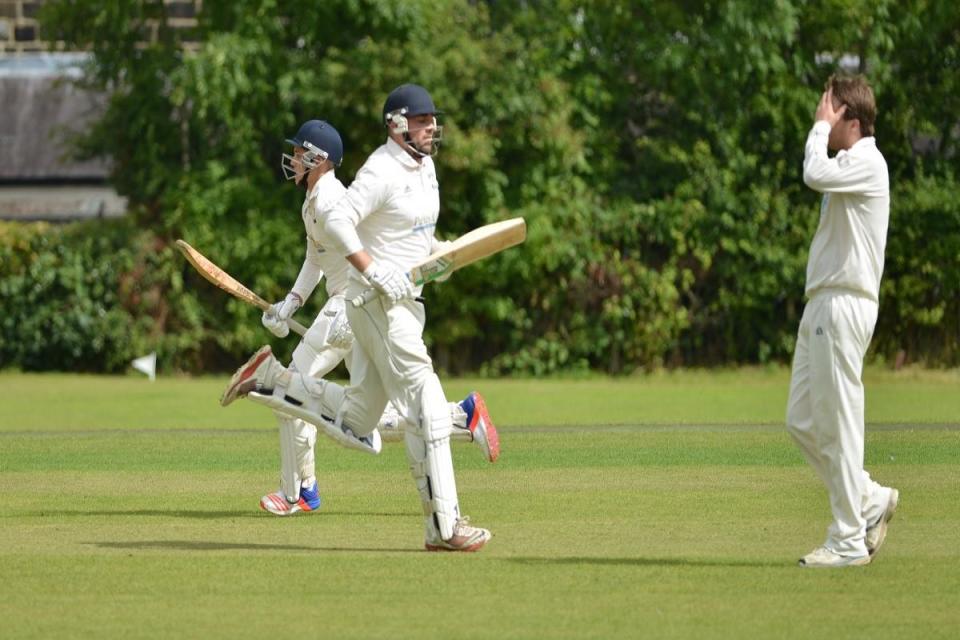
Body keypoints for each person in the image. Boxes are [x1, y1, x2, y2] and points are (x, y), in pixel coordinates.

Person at [221, 118, 498, 518]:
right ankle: (460, 417)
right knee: (358, 414)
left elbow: (364, 251)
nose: (294, 158)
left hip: (352, 305)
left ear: (318, 159)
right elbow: (315, 260)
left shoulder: (333, 199)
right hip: (348, 305)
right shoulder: (312, 201)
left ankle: (299, 490)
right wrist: (291, 302)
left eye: (300, 152)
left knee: (290, 388)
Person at [787, 74, 899, 568]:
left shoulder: (867, 162)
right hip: (823, 303)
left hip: (845, 303)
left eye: (831, 112)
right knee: (802, 421)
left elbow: (814, 173)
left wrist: (817, 130)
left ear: (851, 121)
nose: (823, 119)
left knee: (839, 421)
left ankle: (849, 539)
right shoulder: (850, 163)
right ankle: (869, 498)